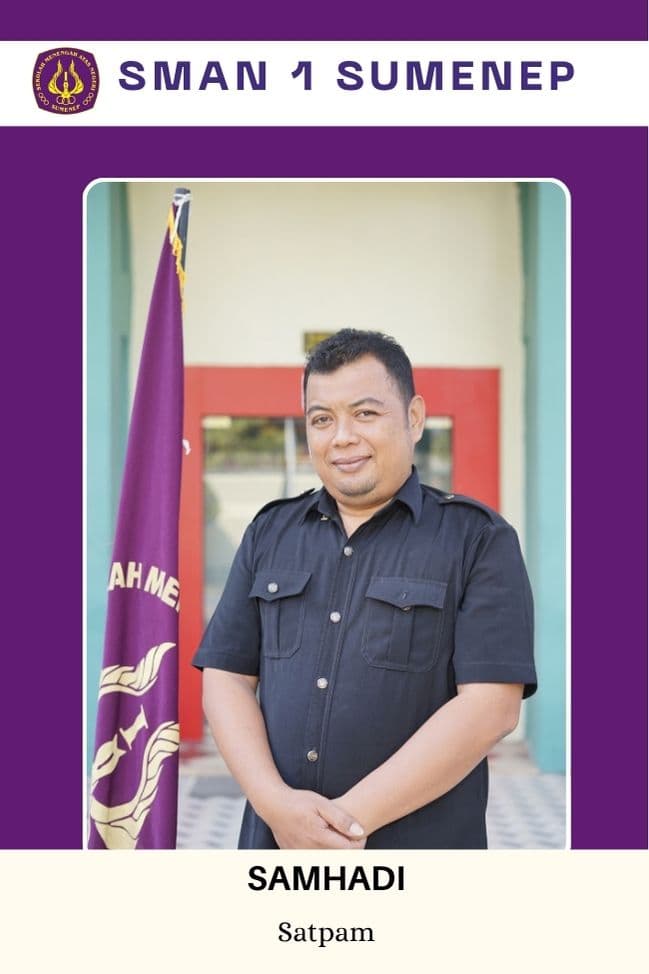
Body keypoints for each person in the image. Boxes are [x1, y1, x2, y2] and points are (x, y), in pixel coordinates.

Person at [192, 329, 537, 849]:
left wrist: (338, 827)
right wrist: (275, 805)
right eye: (321, 419)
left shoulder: (479, 539)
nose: (342, 437)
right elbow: (227, 678)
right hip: (277, 846)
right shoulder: (269, 532)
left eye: (365, 413)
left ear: (414, 418)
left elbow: (491, 708)